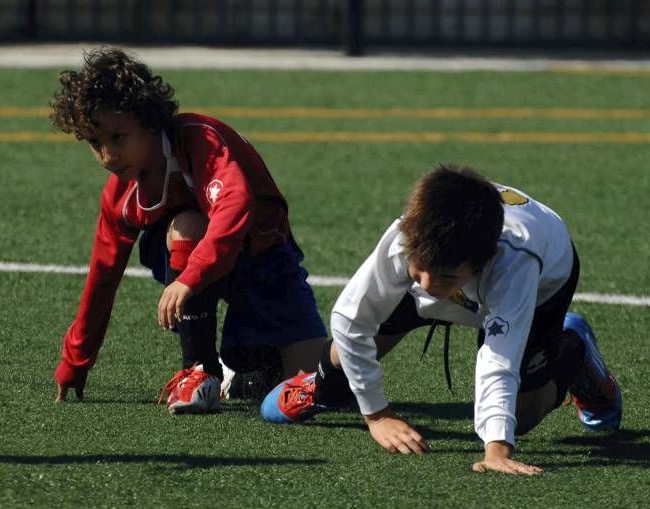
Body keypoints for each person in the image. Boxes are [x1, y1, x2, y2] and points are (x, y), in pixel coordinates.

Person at [261, 164, 622, 475]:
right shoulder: (409, 237)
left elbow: (499, 360)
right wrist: (377, 415)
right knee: (350, 351)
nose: (431, 288)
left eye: (447, 277)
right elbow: (351, 319)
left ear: (482, 262)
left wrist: (497, 451)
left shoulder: (515, 263)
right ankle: (322, 385)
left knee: (520, 416)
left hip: (543, 287)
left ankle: (573, 349)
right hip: (451, 266)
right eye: (420, 273)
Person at [49, 47, 327, 413]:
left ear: (149, 121)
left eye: (118, 138)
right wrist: (76, 360)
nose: (107, 156)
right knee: (186, 225)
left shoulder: (199, 139)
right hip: (201, 262)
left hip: (266, 260)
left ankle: (241, 370)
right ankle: (198, 371)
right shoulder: (121, 193)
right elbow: (103, 275)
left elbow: (236, 203)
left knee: (315, 385)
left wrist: (188, 278)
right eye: (95, 143)